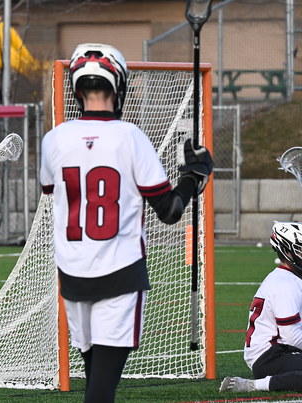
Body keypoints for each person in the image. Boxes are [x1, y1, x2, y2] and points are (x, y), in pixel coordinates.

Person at [39, 43, 213, 403]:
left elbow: (50, 188)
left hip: (72, 274)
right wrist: (192, 178)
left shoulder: (54, 139)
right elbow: (168, 210)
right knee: (101, 389)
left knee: (95, 379)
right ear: (118, 87)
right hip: (120, 272)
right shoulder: (130, 137)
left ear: (76, 89)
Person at [220, 221, 302, 393]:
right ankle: (251, 385)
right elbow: (292, 338)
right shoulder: (285, 284)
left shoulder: (290, 279)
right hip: (271, 356)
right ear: (288, 251)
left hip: (281, 350)